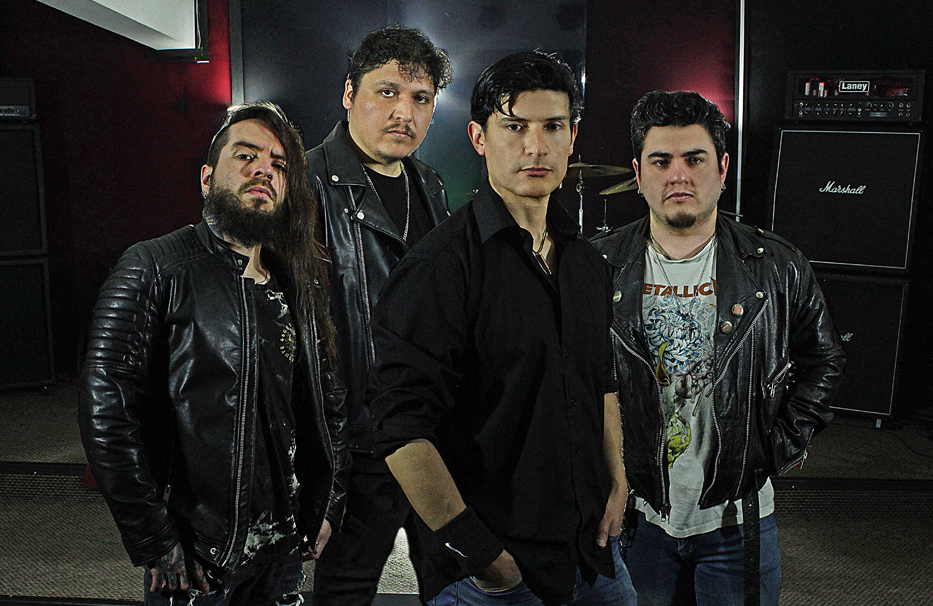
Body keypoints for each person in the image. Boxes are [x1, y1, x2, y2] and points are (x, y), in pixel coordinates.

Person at [368, 51, 637, 606]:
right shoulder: (438, 269)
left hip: (593, 553)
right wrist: (485, 558)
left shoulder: (587, 264)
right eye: (515, 127)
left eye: (552, 127)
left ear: (572, 137)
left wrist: (617, 480)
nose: (535, 147)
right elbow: (400, 430)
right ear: (479, 137)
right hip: (495, 576)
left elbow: (602, 381)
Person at [79, 101, 350, 606]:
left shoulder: (298, 280)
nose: (263, 170)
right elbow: (106, 411)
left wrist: (328, 502)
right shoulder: (154, 267)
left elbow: (328, 401)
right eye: (245, 156)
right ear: (207, 179)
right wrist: (154, 539)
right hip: (200, 553)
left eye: (278, 164)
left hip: (285, 548)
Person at [593, 90, 846, 606]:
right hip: (635, 514)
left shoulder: (776, 265)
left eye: (694, 159)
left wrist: (775, 447)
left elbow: (824, 359)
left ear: (722, 168)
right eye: (661, 161)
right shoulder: (597, 266)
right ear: (638, 173)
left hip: (739, 516)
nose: (678, 176)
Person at [305, 25, 452, 604]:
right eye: (387, 92)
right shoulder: (307, 182)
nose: (404, 113)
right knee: (346, 585)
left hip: (429, 429)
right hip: (357, 438)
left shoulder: (430, 184)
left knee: (452, 579)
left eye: (420, 98)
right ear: (349, 94)